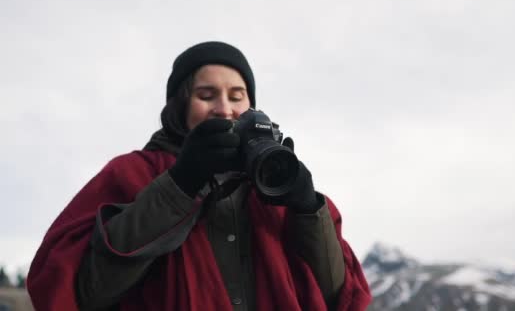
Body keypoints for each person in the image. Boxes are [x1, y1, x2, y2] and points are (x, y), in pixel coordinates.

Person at [26, 41, 371, 311]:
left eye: (237, 96)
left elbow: (339, 298)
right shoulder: (131, 173)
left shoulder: (274, 183)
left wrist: (308, 209)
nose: (224, 108)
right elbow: (81, 292)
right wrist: (180, 183)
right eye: (206, 95)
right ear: (179, 106)